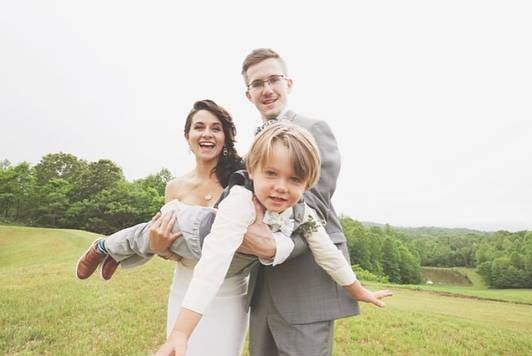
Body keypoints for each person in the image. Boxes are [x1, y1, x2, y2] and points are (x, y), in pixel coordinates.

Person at [155, 122, 391, 356]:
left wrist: (358, 290)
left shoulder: (301, 210)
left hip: (232, 275)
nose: (281, 187)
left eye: (295, 179)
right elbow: (212, 267)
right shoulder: (239, 203)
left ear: (307, 182)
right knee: (138, 238)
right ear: (252, 170)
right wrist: (180, 333)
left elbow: (327, 251)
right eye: (271, 174)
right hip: (180, 222)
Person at [76, 99, 248, 356]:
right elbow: (174, 243)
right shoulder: (174, 187)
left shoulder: (242, 178)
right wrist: (160, 248)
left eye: (216, 128)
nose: (207, 134)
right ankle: (111, 250)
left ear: (226, 136)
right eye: (199, 127)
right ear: (187, 135)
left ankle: (111, 249)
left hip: (229, 288)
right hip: (184, 285)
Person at [238, 48, 361, 356]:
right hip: (262, 287)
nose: (266, 89)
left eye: (274, 79)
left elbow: (314, 204)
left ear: (289, 83)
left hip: (305, 284)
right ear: (248, 93)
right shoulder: (253, 141)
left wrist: (274, 246)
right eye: (257, 83)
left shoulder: (314, 129)